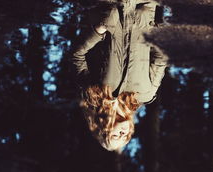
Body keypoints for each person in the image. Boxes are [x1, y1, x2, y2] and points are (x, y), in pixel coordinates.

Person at [72, 0, 168, 152]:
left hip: (109, 6)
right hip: (145, 7)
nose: (124, 133)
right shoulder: (146, 94)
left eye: (116, 136)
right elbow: (161, 57)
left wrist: (98, 31)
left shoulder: (93, 93)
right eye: (126, 136)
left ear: (103, 128)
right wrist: (158, 24)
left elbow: (76, 56)